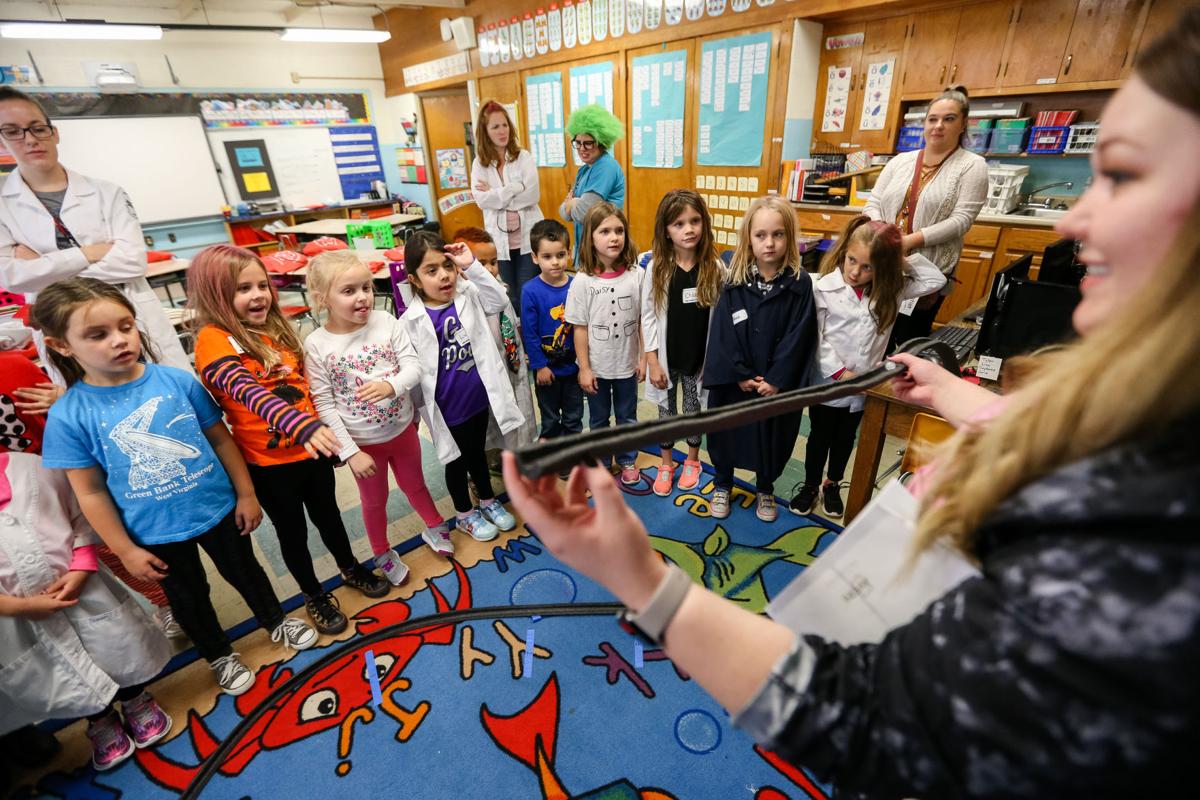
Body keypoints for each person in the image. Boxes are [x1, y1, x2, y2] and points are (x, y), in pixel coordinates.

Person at [503, 11, 1200, 795]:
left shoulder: (1137, 565)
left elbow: (866, 716)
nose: (1077, 218)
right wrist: (963, 399)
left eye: (1126, 175)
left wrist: (646, 586)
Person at [36, 278, 318, 698]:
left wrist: (245, 493)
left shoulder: (175, 381)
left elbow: (221, 438)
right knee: (188, 596)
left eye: (125, 326)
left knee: (246, 572)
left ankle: (275, 620)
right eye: (98, 335)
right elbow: (89, 492)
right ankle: (218, 653)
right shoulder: (69, 415)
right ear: (62, 346)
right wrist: (126, 549)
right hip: (153, 530)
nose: (119, 341)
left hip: (217, 508)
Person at [188, 245, 389, 637]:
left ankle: (349, 567)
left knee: (330, 517)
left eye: (262, 285)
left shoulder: (277, 329)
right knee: (292, 533)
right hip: (269, 467)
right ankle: (313, 594)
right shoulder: (213, 340)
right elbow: (248, 392)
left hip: (312, 457)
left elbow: (305, 387)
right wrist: (305, 427)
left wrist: (323, 433)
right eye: (242, 288)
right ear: (215, 293)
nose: (258, 295)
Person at [0, 400, 172, 772]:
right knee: (64, 669)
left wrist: (80, 568)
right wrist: (13, 607)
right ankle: (99, 720)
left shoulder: (32, 469)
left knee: (115, 647)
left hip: (83, 587)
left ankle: (136, 699)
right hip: (19, 612)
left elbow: (81, 517)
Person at [0, 87, 190, 374]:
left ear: (55, 133)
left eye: (38, 128)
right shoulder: (4, 206)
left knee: (171, 397)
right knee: (92, 410)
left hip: (130, 317)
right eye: (13, 131)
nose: (30, 139)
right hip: (63, 330)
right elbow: (12, 277)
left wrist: (44, 269)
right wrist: (91, 253)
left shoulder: (106, 193)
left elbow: (132, 260)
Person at [303, 250, 453, 584]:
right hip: (362, 443)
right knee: (374, 500)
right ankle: (381, 550)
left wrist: (391, 385)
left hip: (402, 430)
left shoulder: (386, 321)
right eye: (349, 291)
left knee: (415, 483)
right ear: (321, 298)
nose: (363, 298)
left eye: (367, 288)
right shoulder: (316, 344)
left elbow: (414, 366)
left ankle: (433, 525)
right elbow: (323, 404)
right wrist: (350, 452)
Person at [789, 216, 945, 518]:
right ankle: (809, 485)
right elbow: (817, 338)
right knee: (819, 436)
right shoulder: (823, 287)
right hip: (827, 382)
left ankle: (831, 484)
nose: (855, 272)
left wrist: (899, 252)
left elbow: (934, 279)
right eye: (851, 261)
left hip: (865, 385)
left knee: (846, 438)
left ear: (883, 268)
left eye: (867, 267)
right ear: (844, 251)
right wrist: (840, 373)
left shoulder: (891, 290)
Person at [400, 232, 522, 543]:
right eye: (431, 270)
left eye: (447, 266)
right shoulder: (410, 320)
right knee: (455, 461)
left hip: (477, 399)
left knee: (478, 453)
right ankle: (465, 514)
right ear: (414, 279)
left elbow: (500, 300)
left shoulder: (468, 294)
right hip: (447, 407)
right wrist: (413, 414)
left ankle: (487, 500)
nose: (444, 275)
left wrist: (472, 266)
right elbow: (411, 370)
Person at [703, 195, 817, 523]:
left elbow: (800, 336)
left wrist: (778, 380)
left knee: (772, 435)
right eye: (761, 235)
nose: (769, 243)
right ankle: (722, 482)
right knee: (727, 432)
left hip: (773, 384)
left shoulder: (799, 284)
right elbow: (723, 330)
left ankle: (765, 487)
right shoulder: (734, 280)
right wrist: (737, 372)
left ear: (789, 237)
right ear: (748, 238)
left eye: (778, 235)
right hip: (735, 381)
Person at [864, 85, 987, 344]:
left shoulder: (972, 166)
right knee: (872, 333)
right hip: (883, 262)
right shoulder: (900, 161)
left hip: (926, 270)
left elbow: (961, 220)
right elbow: (873, 201)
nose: (939, 125)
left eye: (949, 119)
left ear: (963, 124)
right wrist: (882, 233)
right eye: (933, 119)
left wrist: (909, 241)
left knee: (908, 340)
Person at [640, 190, 725, 497]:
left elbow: (722, 315)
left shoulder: (714, 267)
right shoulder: (657, 268)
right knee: (666, 412)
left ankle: (692, 461)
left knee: (693, 410)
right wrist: (651, 359)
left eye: (694, 221)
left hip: (697, 359)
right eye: (678, 224)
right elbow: (647, 316)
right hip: (666, 358)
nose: (688, 229)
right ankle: (666, 463)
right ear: (666, 230)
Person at [565, 202, 644, 484]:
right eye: (605, 231)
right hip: (596, 367)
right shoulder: (583, 281)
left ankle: (627, 460)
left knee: (627, 417)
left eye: (619, 231)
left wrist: (644, 357)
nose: (614, 237)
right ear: (590, 237)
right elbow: (580, 328)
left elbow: (643, 319)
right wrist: (584, 368)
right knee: (598, 420)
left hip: (626, 364)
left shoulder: (637, 275)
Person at [453, 227, 539, 454]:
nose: (490, 269)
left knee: (520, 410)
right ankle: (497, 456)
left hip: (512, 362)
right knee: (493, 419)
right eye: (482, 263)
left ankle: (522, 453)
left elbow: (510, 317)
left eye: (494, 262)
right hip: (488, 369)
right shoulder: (462, 296)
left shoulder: (499, 286)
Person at [470, 100, 544, 309]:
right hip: (499, 243)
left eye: (505, 125)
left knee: (526, 293)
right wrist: (514, 188)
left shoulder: (523, 157)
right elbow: (481, 200)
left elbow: (532, 196)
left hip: (527, 241)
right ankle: (513, 340)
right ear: (485, 132)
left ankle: (531, 338)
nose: (502, 131)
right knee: (506, 295)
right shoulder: (479, 163)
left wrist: (496, 196)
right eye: (495, 127)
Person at [521, 219, 583, 463]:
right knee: (549, 417)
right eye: (547, 256)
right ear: (535, 258)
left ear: (569, 252)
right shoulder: (530, 291)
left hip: (573, 368)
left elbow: (581, 327)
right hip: (547, 368)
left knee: (574, 415)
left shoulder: (577, 285)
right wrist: (539, 366)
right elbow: (530, 332)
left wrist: (584, 364)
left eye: (560, 254)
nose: (555, 262)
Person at [560, 104, 626, 258]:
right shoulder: (584, 169)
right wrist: (572, 204)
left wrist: (572, 202)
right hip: (586, 247)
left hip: (602, 251)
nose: (582, 148)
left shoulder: (605, 167)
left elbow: (583, 213)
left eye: (588, 143)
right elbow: (565, 213)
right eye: (578, 142)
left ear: (601, 142)